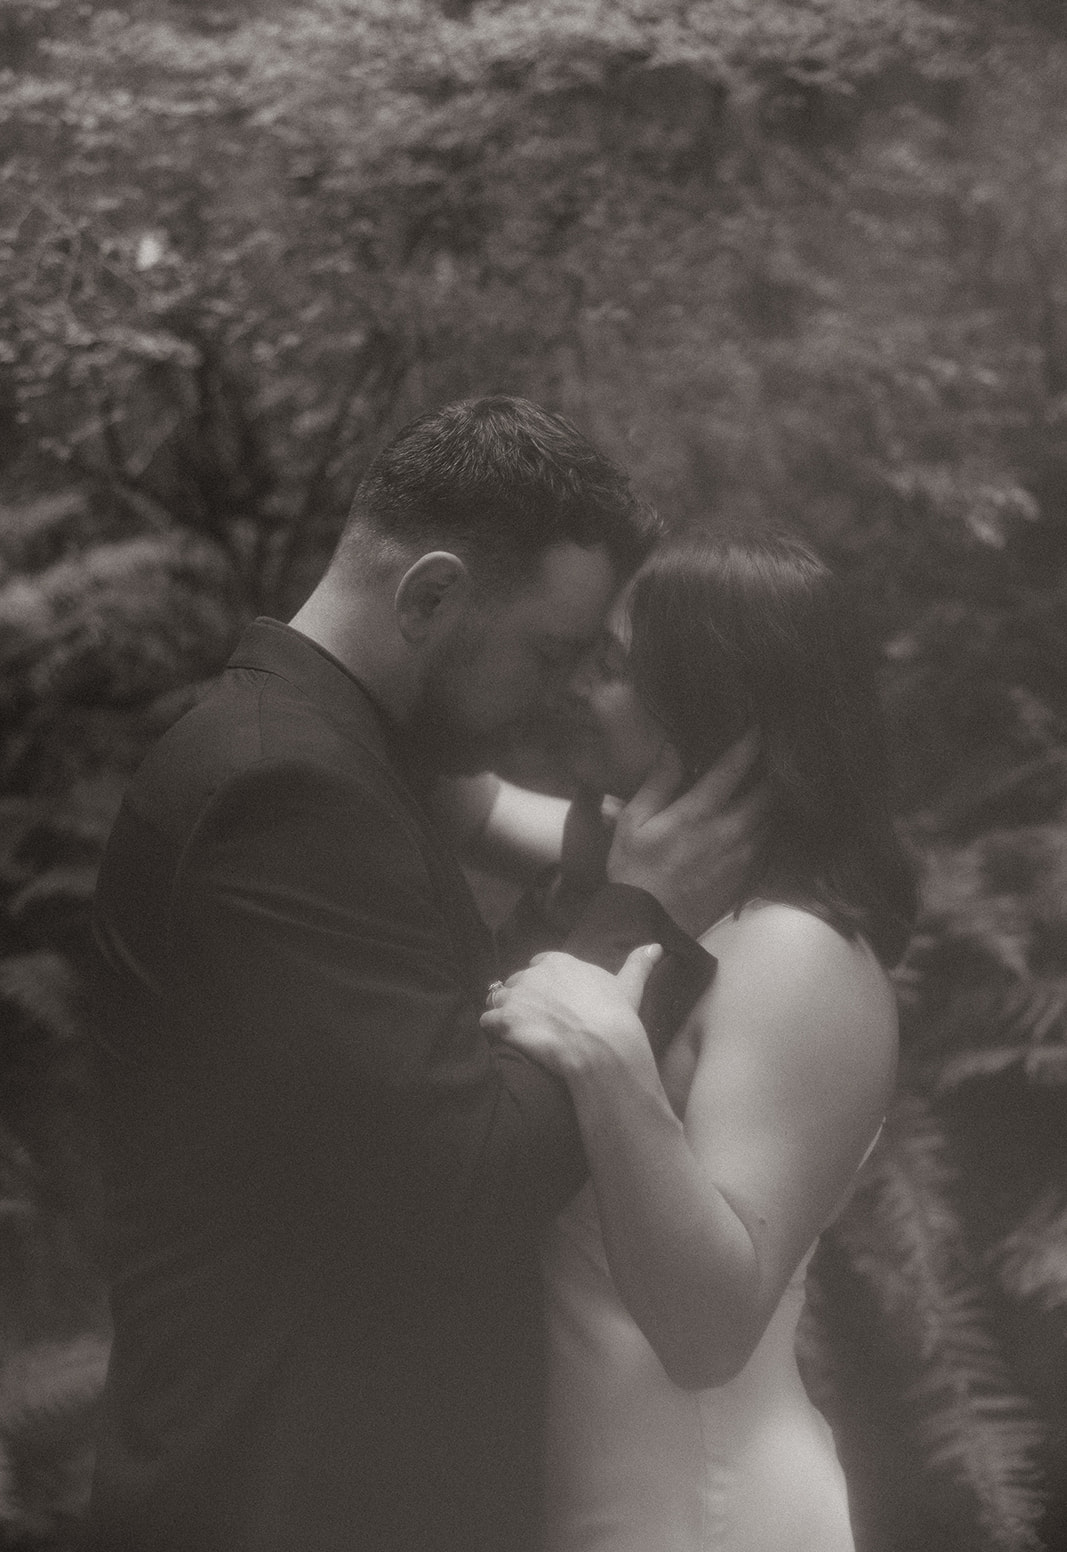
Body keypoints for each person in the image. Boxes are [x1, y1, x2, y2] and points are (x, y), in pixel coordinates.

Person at [85, 397, 763, 1552]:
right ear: (430, 596)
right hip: (282, 1498)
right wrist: (640, 918)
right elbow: (466, 1181)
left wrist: (600, 877)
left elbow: (429, 1017)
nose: (556, 692)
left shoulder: (329, 756)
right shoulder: (281, 794)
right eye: (549, 652)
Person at [480, 530, 917, 1552]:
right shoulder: (661, 890)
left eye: (615, 665)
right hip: (594, 1503)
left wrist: (605, 1053)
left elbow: (709, 1329)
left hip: (704, 1509)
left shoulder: (793, 957)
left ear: (716, 713)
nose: (579, 685)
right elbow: (467, 805)